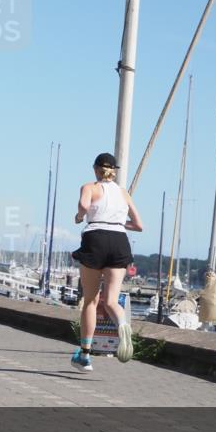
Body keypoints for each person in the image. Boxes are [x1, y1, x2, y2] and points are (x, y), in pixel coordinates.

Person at [70, 153, 143, 371]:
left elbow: (83, 206)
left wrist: (79, 216)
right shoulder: (123, 193)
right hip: (120, 240)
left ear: (95, 169)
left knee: (91, 301)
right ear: (115, 171)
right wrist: (120, 222)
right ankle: (122, 324)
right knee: (111, 301)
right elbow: (139, 225)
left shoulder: (89, 187)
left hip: (96, 238)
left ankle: (84, 355)